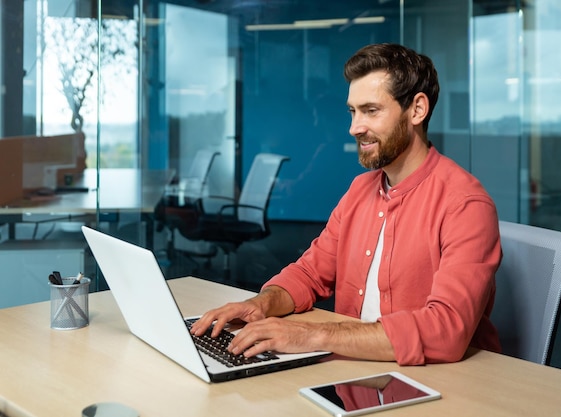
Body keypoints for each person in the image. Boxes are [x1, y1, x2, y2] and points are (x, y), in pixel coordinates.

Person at [190, 43, 502, 365]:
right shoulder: (360, 190)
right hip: (355, 371)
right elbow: (311, 272)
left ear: (417, 110)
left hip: (441, 385)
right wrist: (262, 304)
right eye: (353, 111)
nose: (355, 127)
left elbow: (446, 330)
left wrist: (312, 335)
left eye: (371, 110)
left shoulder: (465, 204)